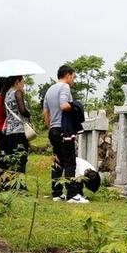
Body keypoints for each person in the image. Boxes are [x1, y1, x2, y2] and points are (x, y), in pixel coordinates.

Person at [43, 65, 88, 204]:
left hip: (53, 130)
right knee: (70, 162)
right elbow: (63, 105)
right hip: (64, 130)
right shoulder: (64, 87)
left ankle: (57, 193)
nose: (73, 80)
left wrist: (51, 126)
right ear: (67, 75)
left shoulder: (50, 90)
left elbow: (46, 113)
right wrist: (75, 106)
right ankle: (72, 195)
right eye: (73, 77)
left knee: (58, 162)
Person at [2, 75, 31, 187]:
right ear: (17, 82)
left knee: (13, 158)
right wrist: (29, 114)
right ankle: (20, 186)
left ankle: (12, 184)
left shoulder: (7, 94)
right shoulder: (17, 92)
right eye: (22, 81)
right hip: (19, 130)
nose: (23, 84)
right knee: (21, 158)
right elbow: (22, 110)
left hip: (9, 131)